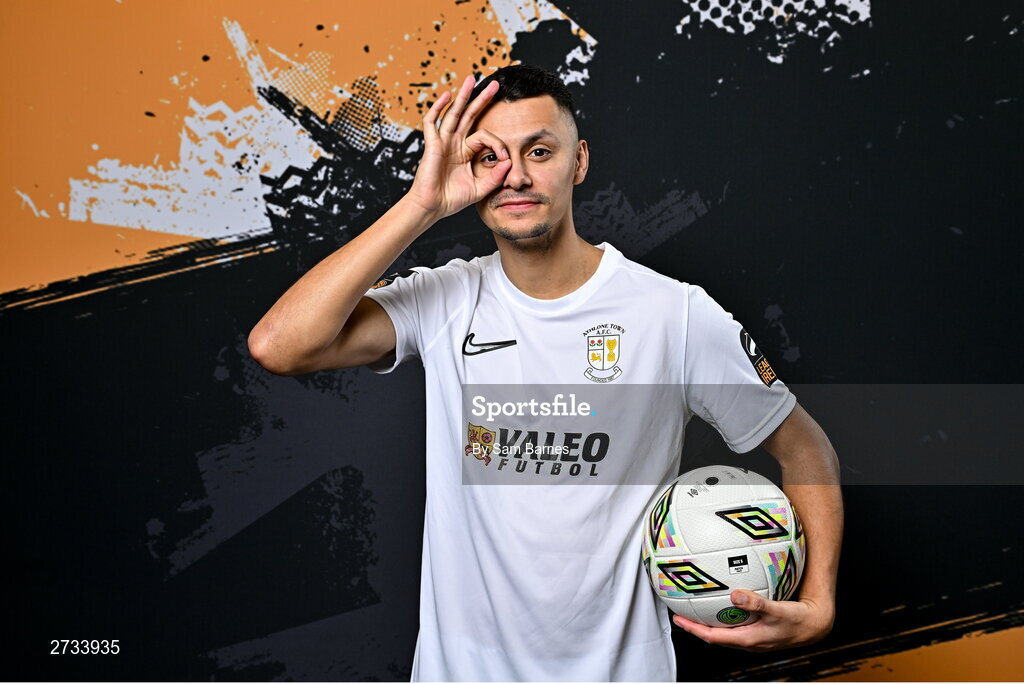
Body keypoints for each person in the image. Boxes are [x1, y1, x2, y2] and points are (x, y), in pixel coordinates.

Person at [248, 64, 842, 681]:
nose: (517, 177)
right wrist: (421, 205)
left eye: (538, 151)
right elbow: (278, 346)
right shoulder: (445, 301)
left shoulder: (675, 315)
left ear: (578, 161)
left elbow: (806, 451)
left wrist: (819, 601)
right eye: (490, 158)